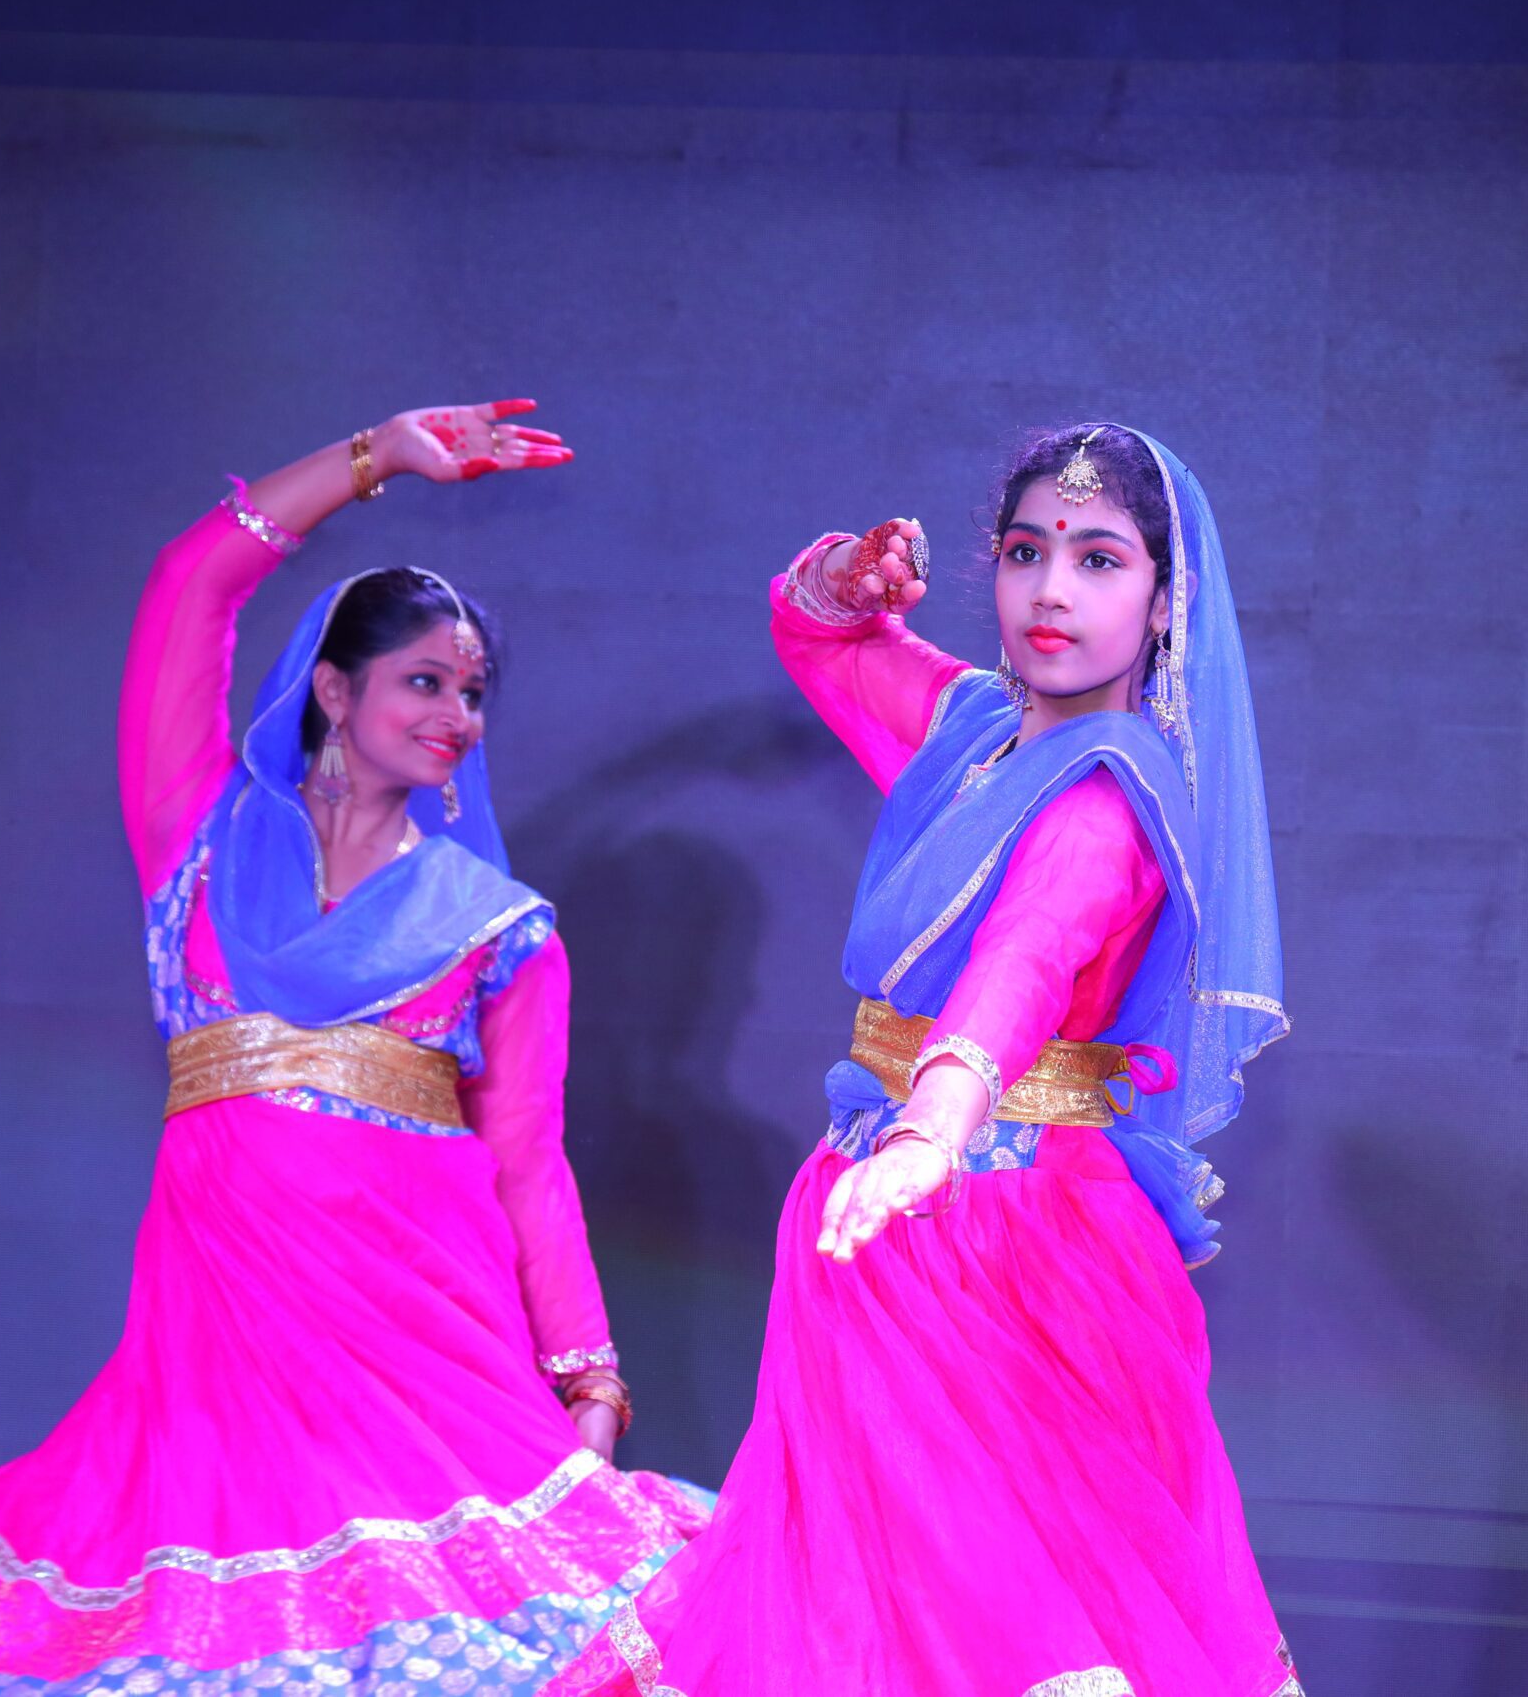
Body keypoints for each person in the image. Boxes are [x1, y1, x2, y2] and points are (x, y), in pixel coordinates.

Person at [0, 404, 709, 1697]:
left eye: (474, 692)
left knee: (472, 1629)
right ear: (333, 687)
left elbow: (528, 1160)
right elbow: (189, 584)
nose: (458, 714)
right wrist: (379, 456)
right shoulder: (196, 839)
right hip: (217, 1345)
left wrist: (589, 1374)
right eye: (425, 680)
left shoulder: (496, 927)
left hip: (424, 1337)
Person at [551, 424, 1299, 1697]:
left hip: (1007, 1242)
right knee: (859, 1613)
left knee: (994, 1621)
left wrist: (926, 1131)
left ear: (1165, 602)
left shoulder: (1106, 799)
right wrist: (843, 582)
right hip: (887, 1221)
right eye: (1025, 551)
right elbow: (820, 640)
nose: (1051, 590)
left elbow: (1023, 962)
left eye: (1099, 560)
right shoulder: (974, 732)